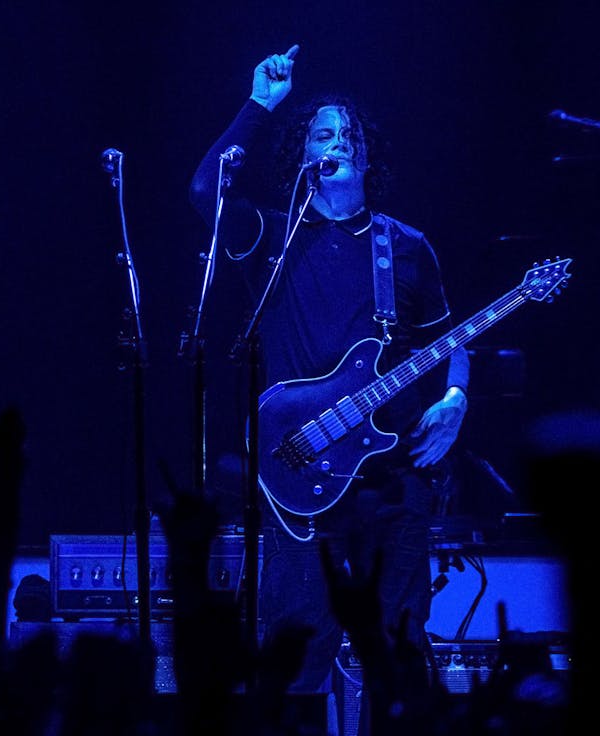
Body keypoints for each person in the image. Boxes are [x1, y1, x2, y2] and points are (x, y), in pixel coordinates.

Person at [190, 44, 469, 695]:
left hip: (391, 474)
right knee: (298, 642)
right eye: (322, 134)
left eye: (348, 135)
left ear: (367, 155)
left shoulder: (404, 246)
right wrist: (260, 103)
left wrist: (456, 397)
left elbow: (454, 338)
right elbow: (205, 189)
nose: (336, 141)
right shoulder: (271, 234)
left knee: (396, 643)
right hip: (301, 471)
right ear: (304, 155)